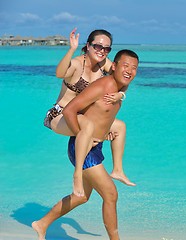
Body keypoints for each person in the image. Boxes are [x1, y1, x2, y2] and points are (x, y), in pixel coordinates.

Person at [32, 49, 139, 240]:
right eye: (125, 65)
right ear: (113, 66)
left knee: (82, 197)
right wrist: (83, 135)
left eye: (134, 68)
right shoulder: (102, 85)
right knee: (111, 194)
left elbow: (103, 113)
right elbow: (70, 110)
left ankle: (42, 224)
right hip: (84, 149)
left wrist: (120, 98)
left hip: (95, 146)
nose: (130, 70)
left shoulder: (120, 87)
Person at [44, 28, 135, 197]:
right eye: (98, 46)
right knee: (87, 126)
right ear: (88, 46)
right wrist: (71, 49)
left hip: (81, 116)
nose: (102, 51)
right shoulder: (78, 63)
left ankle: (118, 170)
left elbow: (124, 77)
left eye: (106, 48)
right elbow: (59, 74)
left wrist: (121, 94)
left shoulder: (104, 64)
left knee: (119, 126)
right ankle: (77, 175)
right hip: (61, 116)